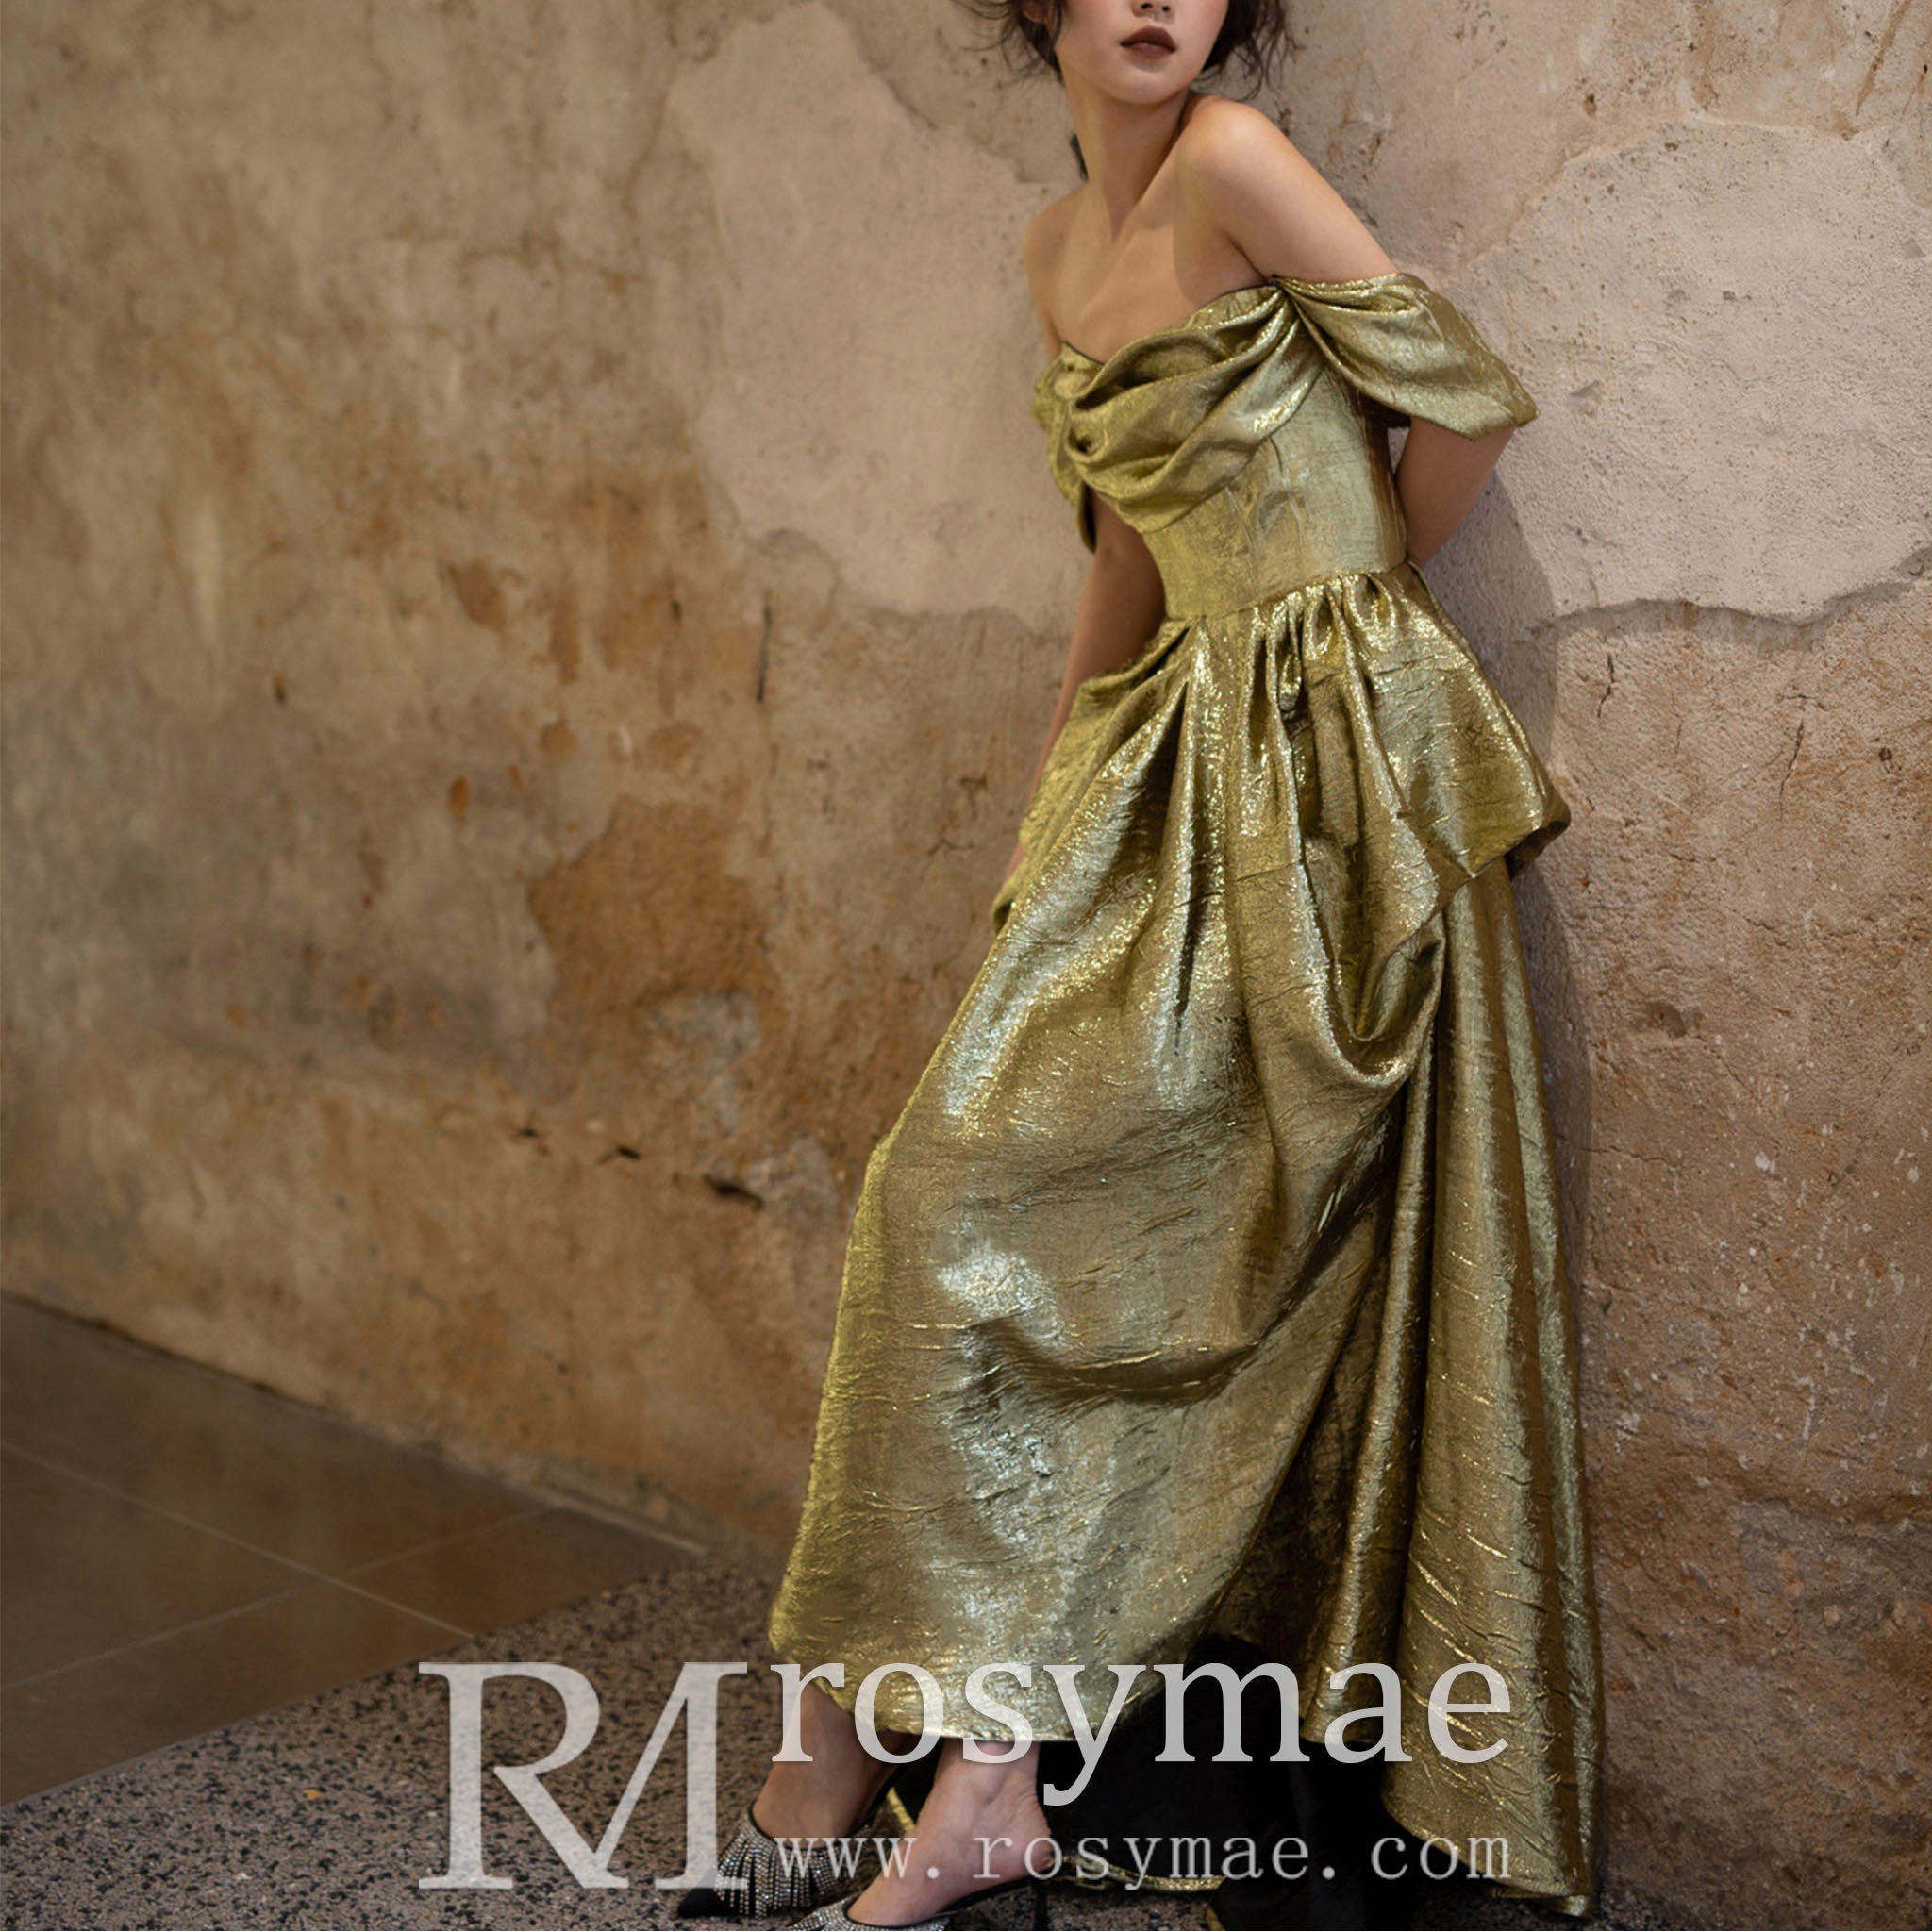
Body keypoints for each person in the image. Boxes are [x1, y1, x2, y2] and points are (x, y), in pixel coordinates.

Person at [696, 3, 1603, 1925]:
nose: (1157, 0)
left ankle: (934, 1774)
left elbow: (1464, 403)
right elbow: (1124, 541)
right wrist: (1057, 782)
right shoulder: (1054, 249)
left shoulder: (1235, 162)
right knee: (932, 1201)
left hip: (1327, 761)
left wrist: (1343, 609)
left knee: (1095, 1236)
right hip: (1167, 758)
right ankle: (872, 1748)